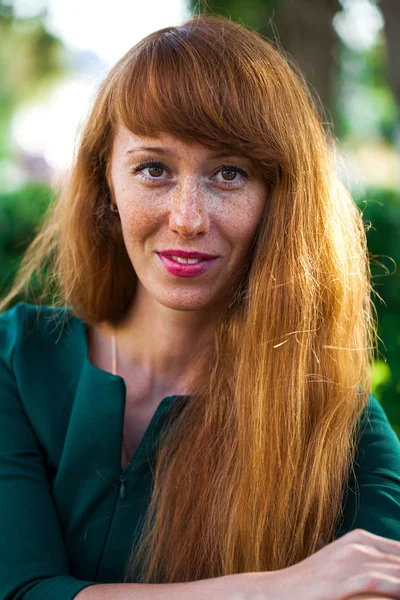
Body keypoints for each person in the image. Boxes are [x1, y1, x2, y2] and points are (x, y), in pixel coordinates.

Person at [0, 14, 400, 600]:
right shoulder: (17, 359)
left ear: (278, 200)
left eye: (230, 173)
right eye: (154, 169)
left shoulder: (337, 425)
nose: (188, 218)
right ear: (105, 182)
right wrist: (279, 589)